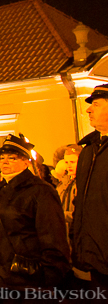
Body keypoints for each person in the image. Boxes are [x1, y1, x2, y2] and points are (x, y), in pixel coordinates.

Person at [0, 134, 70, 293]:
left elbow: (52, 235)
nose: (5, 161)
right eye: (2, 157)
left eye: (12, 158)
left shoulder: (40, 191)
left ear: (26, 161)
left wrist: (49, 274)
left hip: (26, 277)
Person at [72, 83, 108, 291]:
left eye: (96, 104)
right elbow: (82, 202)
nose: (88, 110)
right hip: (94, 255)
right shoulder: (88, 151)